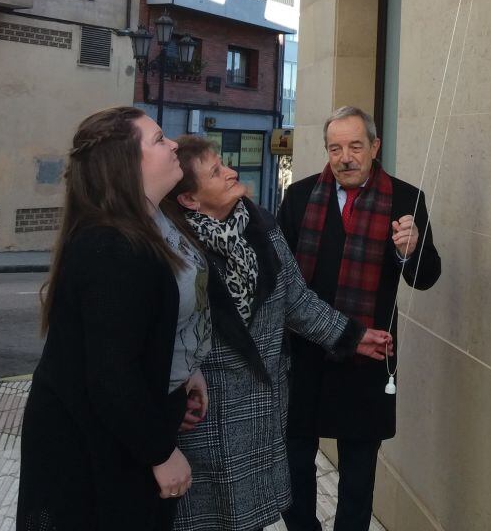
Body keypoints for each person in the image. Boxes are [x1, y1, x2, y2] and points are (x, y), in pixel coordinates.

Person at [160, 136, 393, 531]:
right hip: (201, 421)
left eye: (224, 163)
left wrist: (353, 335)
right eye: (216, 172)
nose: (232, 172)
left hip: (261, 415)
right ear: (189, 200)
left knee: (251, 519)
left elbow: (296, 301)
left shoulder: (260, 225)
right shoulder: (170, 249)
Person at [17, 107, 205, 531]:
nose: (174, 144)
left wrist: (185, 369)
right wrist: (160, 453)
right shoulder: (114, 248)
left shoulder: (152, 225)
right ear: (125, 163)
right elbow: (110, 375)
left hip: (122, 435)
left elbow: (150, 326)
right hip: (93, 449)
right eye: (158, 140)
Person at [277, 106, 442, 531]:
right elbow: (279, 279)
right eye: (335, 148)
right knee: (294, 467)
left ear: (374, 147)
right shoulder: (299, 196)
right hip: (303, 354)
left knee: (357, 479)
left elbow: (425, 278)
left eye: (354, 146)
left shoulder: (406, 200)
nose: (345, 157)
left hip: (368, 356)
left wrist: (412, 250)